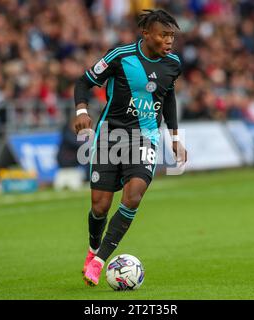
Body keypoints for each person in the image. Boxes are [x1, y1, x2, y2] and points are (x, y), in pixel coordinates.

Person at [73, 9, 187, 286]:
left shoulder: (173, 64)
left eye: (172, 36)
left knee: (133, 195)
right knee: (100, 206)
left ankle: (99, 263)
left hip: (146, 138)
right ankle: (92, 249)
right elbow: (83, 82)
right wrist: (81, 112)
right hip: (110, 136)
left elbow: (167, 97)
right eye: (164, 35)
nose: (169, 41)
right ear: (146, 34)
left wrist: (173, 136)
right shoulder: (120, 56)